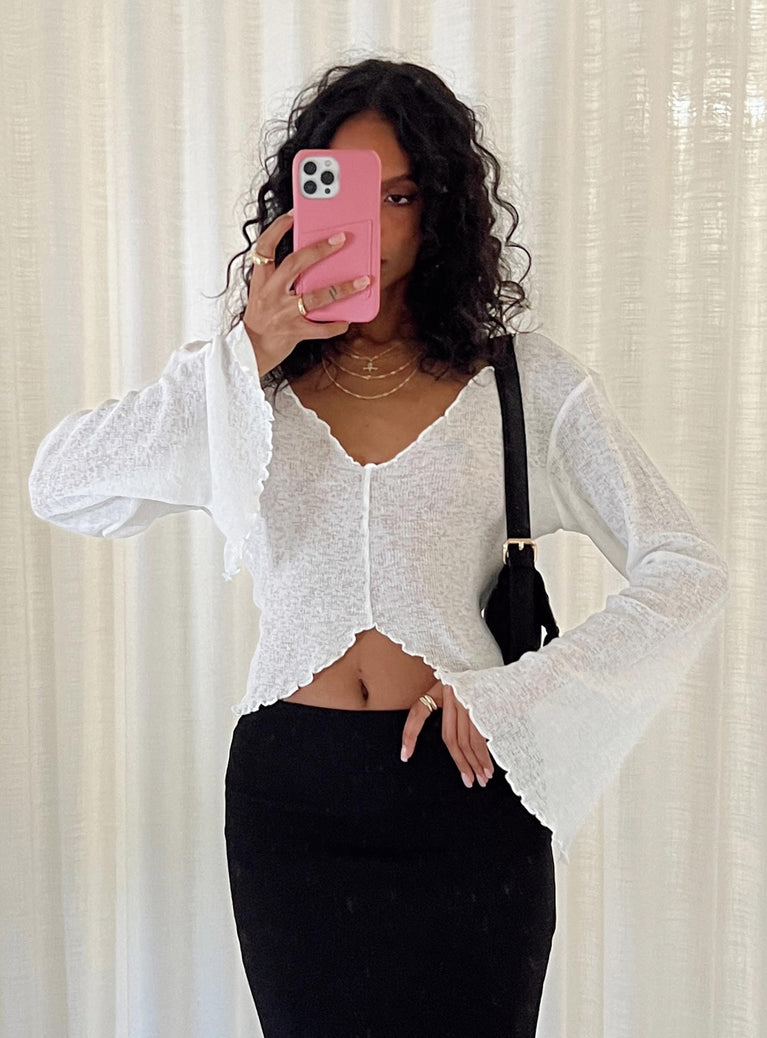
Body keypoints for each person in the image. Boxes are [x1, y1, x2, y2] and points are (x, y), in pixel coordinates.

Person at [28, 58, 730, 1038]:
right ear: (299, 204)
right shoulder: (243, 392)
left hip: (465, 795)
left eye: (400, 195)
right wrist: (246, 350)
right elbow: (59, 484)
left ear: (442, 209)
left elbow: (686, 571)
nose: (375, 223)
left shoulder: (523, 385)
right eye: (350, 194)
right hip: (291, 808)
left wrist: (513, 695)